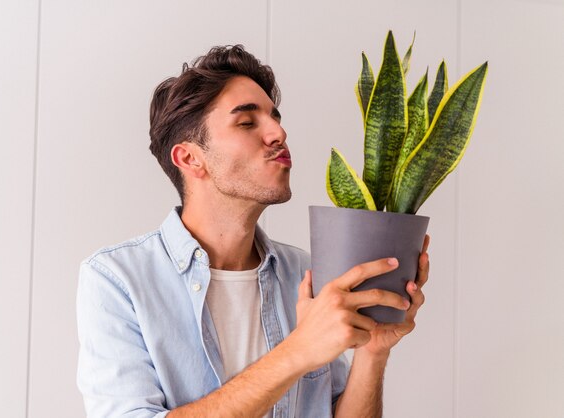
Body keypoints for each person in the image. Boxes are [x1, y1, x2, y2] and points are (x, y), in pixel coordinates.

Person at [76, 44, 430, 418]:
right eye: (247, 122)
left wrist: (373, 351)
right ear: (190, 158)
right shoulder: (117, 279)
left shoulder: (305, 274)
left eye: (274, 117)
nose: (278, 132)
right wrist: (299, 350)